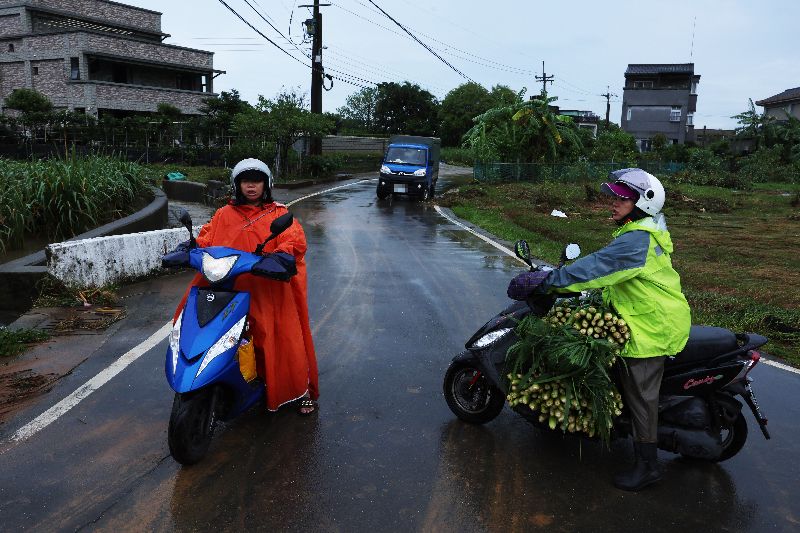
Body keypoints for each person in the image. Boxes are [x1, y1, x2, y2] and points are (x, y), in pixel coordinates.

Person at [507, 168, 691, 491]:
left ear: (642, 203)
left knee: (641, 397)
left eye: (622, 198)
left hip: (651, 325)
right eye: (615, 196)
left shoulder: (637, 240)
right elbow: (611, 274)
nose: (613, 202)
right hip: (646, 313)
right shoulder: (638, 231)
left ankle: (648, 466)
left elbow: (596, 268)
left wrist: (549, 282)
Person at [174, 158, 319, 415]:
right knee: (190, 318)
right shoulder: (224, 214)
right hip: (226, 284)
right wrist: (191, 247)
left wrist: (281, 256)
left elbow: (294, 240)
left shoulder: (278, 213)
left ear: (266, 184)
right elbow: (207, 236)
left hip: (265, 286)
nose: (251, 186)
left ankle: (297, 388)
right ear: (237, 185)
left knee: (278, 335)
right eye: (245, 181)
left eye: (257, 181)